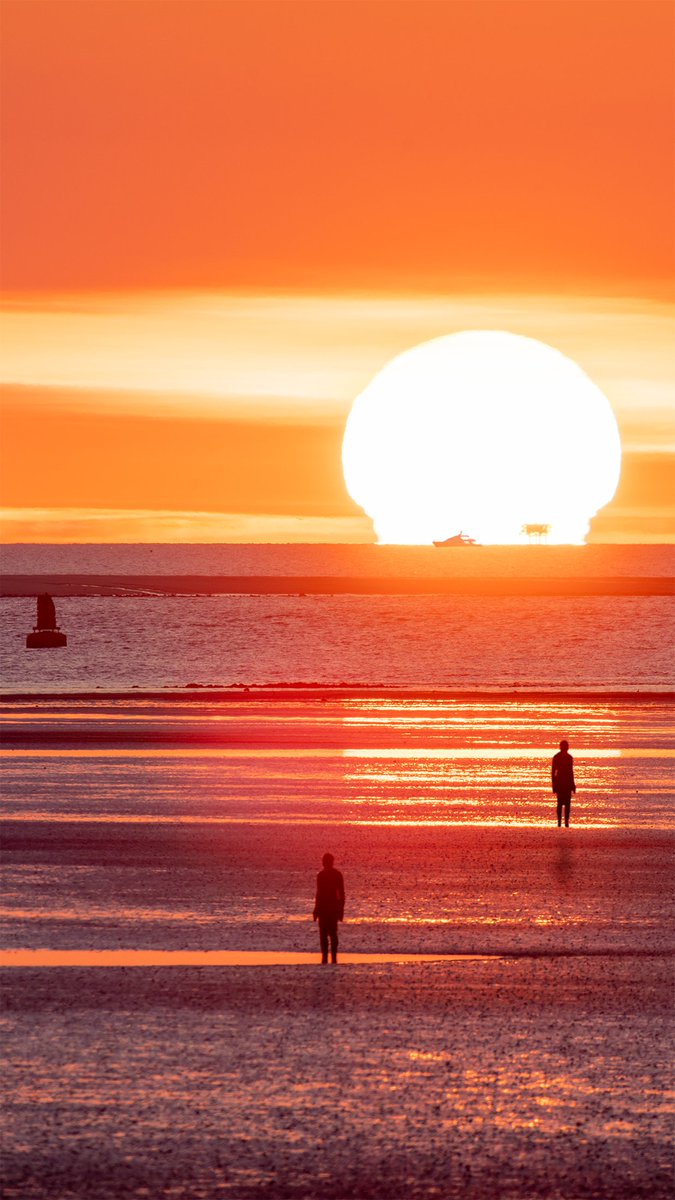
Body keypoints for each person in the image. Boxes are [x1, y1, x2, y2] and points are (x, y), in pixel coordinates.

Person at [313, 852, 345, 964]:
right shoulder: (324, 875)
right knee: (329, 934)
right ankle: (329, 957)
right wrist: (316, 910)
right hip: (328, 909)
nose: (324, 863)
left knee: (328, 934)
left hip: (328, 909)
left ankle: (329, 957)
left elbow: (341, 893)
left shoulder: (329, 875)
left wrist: (340, 909)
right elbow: (319, 894)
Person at [552, 739, 576, 827]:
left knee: (566, 803)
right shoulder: (557, 757)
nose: (567, 748)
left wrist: (573, 785)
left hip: (566, 783)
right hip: (561, 783)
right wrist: (554, 785)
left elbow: (571, 772)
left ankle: (565, 822)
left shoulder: (569, 758)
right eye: (565, 746)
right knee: (561, 803)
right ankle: (560, 822)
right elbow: (553, 772)